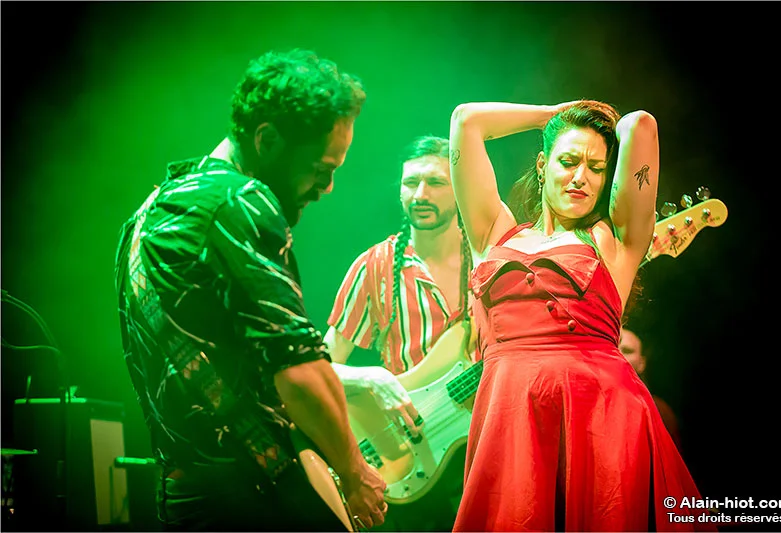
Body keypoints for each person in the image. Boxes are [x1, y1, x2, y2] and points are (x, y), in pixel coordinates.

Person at [114, 49, 387, 532]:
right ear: (267, 139)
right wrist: (353, 471)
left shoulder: (149, 213)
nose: (326, 187)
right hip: (254, 498)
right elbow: (299, 371)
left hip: (185, 495)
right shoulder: (239, 201)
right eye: (320, 169)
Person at [448, 99, 714, 531]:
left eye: (596, 167)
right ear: (542, 164)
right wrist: (552, 114)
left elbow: (641, 125)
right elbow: (466, 120)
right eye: (568, 161)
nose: (580, 177)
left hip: (600, 418)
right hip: (510, 416)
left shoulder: (615, 239)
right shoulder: (494, 232)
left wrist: (598, 122)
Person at [324, 135, 472, 531]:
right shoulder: (375, 266)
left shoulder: (489, 258)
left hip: (489, 445)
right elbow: (319, 368)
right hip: (414, 459)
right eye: (411, 183)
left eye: (436, 182)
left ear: (461, 188)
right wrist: (370, 377)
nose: (421, 194)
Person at [619, 327, 682, 451]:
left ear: (642, 363)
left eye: (627, 351)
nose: (619, 354)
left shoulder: (659, 411)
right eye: (615, 349)